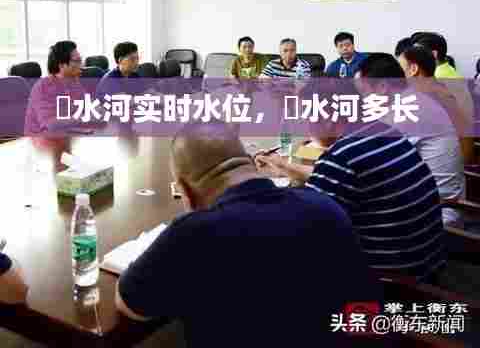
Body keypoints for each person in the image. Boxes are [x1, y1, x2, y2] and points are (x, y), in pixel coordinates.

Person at [116, 123, 381, 348]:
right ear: (252, 163)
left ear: (185, 191)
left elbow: (130, 304)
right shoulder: (325, 207)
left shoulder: (194, 233)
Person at [257, 68, 445, 282]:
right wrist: (282, 165)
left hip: (389, 279)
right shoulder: (385, 131)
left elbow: (308, 231)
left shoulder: (341, 156)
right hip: (426, 262)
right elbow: (340, 181)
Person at [398, 45, 473, 176]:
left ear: (413, 69)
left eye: (400, 69)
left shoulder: (419, 103)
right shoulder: (443, 91)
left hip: (432, 183)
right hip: (456, 176)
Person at [24, 41, 88, 171]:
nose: (82, 65)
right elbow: (51, 124)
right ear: (62, 65)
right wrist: (83, 119)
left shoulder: (74, 83)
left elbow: (88, 107)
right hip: (42, 147)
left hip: (66, 139)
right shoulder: (43, 87)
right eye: (77, 61)